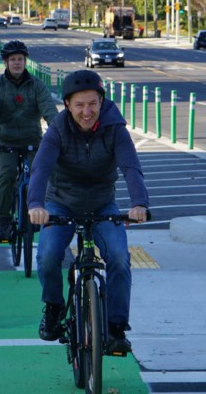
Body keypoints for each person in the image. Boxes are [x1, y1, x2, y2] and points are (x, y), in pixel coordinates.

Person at [28, 69, 150, 356]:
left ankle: (116, 328)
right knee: (47, 256)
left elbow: (131, 166)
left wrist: (139, 204)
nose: (86, 111)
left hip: (102, 204)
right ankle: (54, 307)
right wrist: (36, 205)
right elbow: (42, 168)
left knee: (119, 258)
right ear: (68, 105)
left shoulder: (115, 129)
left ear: (101, 102)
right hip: (61, 203)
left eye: (92, 104)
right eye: (79, 105)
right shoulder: (57, 130)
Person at [0, 40, 59, 241]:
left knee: (38, 173)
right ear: (5, 63)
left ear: (25, 61)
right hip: (4, 142)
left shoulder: (36, 85)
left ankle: (34, 211)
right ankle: (4, 220)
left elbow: (49, 110)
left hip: (32, 140)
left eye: (20, 59)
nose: (17, 63)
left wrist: (59, 131)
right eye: (12, 60)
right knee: (7, 174)